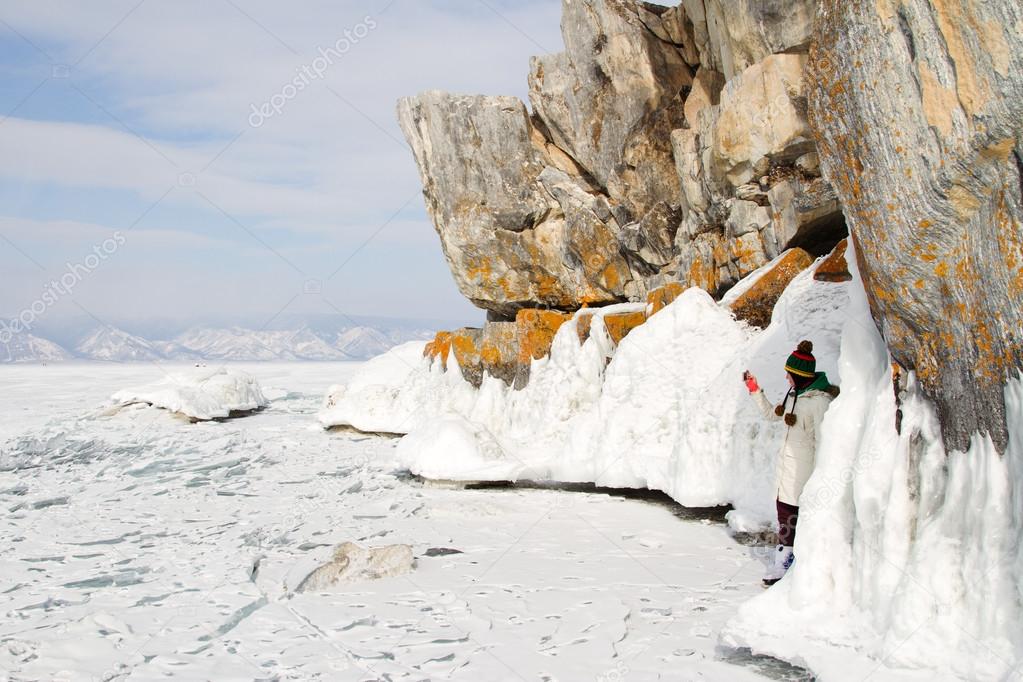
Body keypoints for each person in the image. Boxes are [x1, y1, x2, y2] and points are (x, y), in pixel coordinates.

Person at [743, 340, 839, 586]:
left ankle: (789, 562)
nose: (786, 378)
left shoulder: (819, 403)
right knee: (785, 515)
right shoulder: (795, 396)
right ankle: (786, 558)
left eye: (789, 374)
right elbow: (770, 415)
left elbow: (825, 441)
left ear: (799, 375)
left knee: (795, 518)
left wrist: (822, 478)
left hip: (804, 475)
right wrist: (754, 389)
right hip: (787, 473)